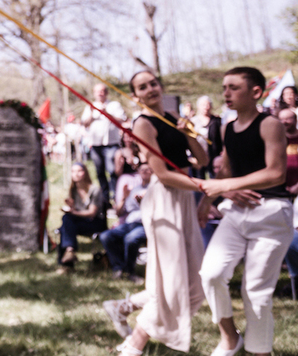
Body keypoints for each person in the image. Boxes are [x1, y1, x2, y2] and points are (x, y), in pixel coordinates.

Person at [103, 70, 208, 355]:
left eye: (153, 83)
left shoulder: (173, 117)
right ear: (135, 95)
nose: (150, 89)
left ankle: (123, 307)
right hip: (164, 198)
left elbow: (201, 159)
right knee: (171, 280)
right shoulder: (143, 124)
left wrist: (189, 134)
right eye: (142, 87)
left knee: (194, 280)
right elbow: (162, 174)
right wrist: (208, 186)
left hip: (185, 195)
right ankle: (134, 345)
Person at [199, 67, 293, 356]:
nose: (226, 93)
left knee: (255, 292)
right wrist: (206, 201)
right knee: (211, 274)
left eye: (234, 87)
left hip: (272, 214)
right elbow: (226, 169)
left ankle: (260, 352)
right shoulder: (227, 128)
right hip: (237, 213)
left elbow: (276, 173)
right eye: (224, 88)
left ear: (256, 92)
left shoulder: (270, 124)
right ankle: (230, 338)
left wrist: (226, 185)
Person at [100, 163, 151, 283]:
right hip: (129, 223)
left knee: (131, 239)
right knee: (106, 236)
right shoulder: (134, 189)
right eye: (142, 169)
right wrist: (124, 197)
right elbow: (119, 212)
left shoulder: (155, 189)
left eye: (148, 169)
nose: (144, 171)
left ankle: (129, 271)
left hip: (145, 224)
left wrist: (143, 202)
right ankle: (119, 267)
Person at [56, 162, 107, 273]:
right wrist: (71, 206)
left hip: (95, 222)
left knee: (66, 225)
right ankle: (69, 253)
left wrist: (73, 212)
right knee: (66, 223)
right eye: (73, 171)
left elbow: (92, 213)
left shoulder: (94, 190)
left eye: (79, 171)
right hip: (80, 221)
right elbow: (76, 210)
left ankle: (66, 262)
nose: (76, 174)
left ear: (85, 173)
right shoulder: (73, 190)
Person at [81, 83, 127, 204]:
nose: (100, 93)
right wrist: (92, 114)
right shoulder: (90, 106)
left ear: (106, 92)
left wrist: (107, 113)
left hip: (112, 144)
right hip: (96, 145)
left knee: (113, 171)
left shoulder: (114, 105)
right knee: (100, 172)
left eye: (102, 91)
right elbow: (84, 123)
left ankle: (117, 197)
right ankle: (105, 200)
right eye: (98, 91)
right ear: (94, 93)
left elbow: (121, 120)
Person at [191, 95, 223, 178]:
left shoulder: (217, 121)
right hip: (197, 156)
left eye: (207, 104)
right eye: (203, 105)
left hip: (214, 156)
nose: (205, 107)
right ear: (198, 106)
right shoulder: (193, 121)